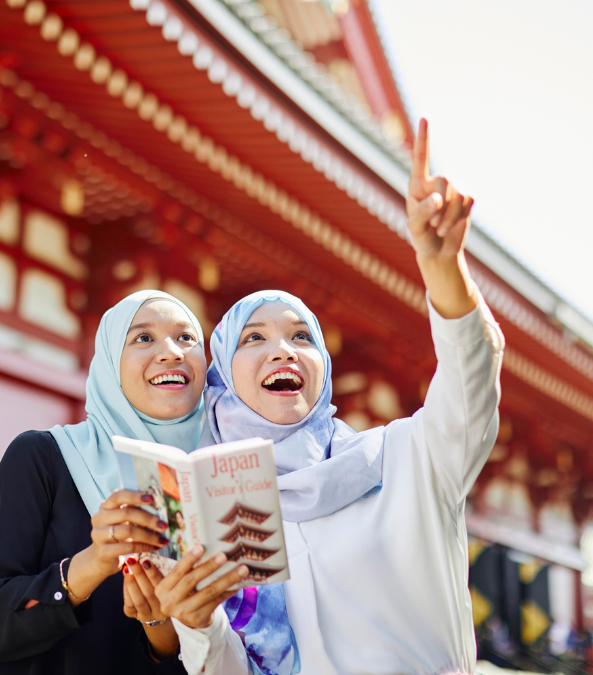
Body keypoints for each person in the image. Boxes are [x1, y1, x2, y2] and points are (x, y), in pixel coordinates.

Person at [147, 118, 505, 675]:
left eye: (301, 336)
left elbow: (471, 376)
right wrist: (198, 624)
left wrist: (442, 267)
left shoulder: (410, 457)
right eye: (253, 339)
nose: (282, 352)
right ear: (221, 375)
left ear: (325, 368)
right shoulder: (215, 510)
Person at [0, 290, 207, 674]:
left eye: (187, 338)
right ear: (110, 363)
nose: (172, 352)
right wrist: (94, 563)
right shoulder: (43, 457)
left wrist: (159, 628)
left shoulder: (216, 485)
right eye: (143, 337)